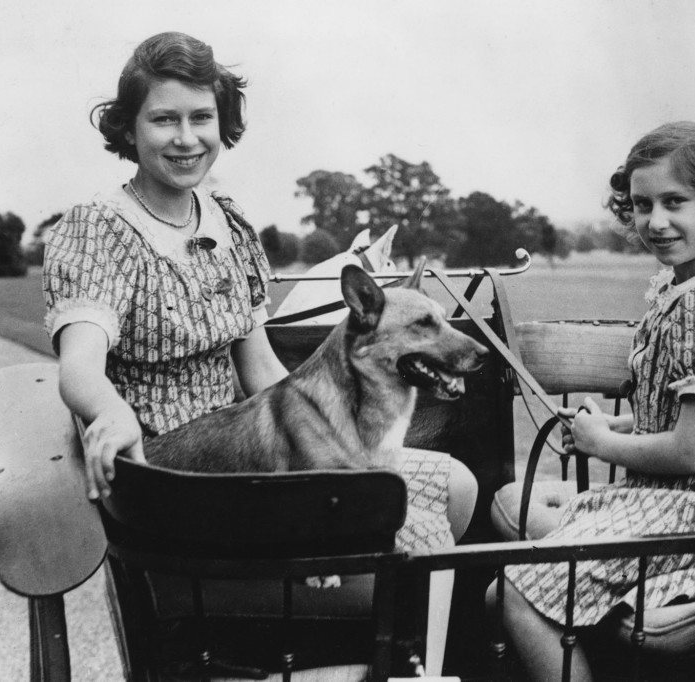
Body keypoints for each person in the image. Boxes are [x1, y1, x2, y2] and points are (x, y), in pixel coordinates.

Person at [43, 31, 476, 549]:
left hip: (250, 452)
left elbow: (262, 372)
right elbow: (80, 367)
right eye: (164, 119)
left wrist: (339, 437)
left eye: (201, 117)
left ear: (221, 124)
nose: (186, 138)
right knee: (422, 540)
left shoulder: (227, 222)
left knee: (459, 489)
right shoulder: (98, 229)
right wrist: (112, 414)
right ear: (130, 129)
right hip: (172, 480)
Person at [494, 121, 695, 681]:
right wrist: (621, 426)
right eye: (642, 203)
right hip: (669, 499)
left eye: (675, 201)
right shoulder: (683, 285)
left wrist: (603, 443)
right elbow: (680, 416)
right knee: (510, 516)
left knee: (511, 596)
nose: (656, 220)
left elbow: (689, 453)